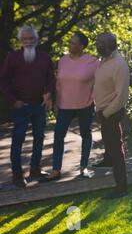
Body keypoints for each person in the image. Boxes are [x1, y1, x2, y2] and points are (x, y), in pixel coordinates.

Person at [0, 25, 54, 187]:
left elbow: (51, 78)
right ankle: (17, 175)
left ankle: (35, 169)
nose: (28, 41)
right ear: (20, 40)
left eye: (31, 39)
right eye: (25, 39)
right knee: (18, 139)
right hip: (20, 105)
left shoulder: (44, 57)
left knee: (39, 137)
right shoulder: (12, 57)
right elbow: (3, 81)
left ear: (36, 40)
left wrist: (48, 92)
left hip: (39, 105)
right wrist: (13, 100)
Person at [42, 32, 99, 182]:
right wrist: (55, 103)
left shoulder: (93, 62)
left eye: (73, 43)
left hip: (85, 105)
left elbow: (99, 82)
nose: (70, 44)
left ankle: (83, 167)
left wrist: (94, 99)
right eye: (70, 42)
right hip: (64, 105)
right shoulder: (63, 61)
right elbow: (58, 84)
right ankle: (56, 170)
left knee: (86, 135)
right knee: (58, 135)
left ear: (81, 46)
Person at [93, 33, 130, 199]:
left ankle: (121, 188)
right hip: (104, 110)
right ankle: (107, 159)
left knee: (116, 149)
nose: (97, 45)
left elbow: (121, 95)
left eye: (100, 43)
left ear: (110, 45)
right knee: (108, 141)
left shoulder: (118, 64)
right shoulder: (104, 60)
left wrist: (106, 113)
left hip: (112, 111)